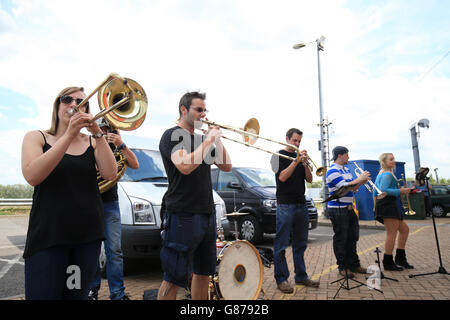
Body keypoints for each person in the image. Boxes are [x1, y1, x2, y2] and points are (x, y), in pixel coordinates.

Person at [21, 87, 117, 299]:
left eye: (82, 103)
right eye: (68, 100)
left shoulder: (92, 142)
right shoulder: (36, 137)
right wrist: (69, 135)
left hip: (86, 238)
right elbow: (32, 175)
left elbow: (110, 173)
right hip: (48, 237)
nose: (74, 105)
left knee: (75, 296)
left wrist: (97, 134)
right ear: (57, 106)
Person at [157, 91, 232, 300]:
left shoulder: (202, 139)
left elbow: (226, 165)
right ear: (183, 110)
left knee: (203, 273)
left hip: (206, 212)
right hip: (182, 213)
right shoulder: (171, 135)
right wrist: (208, 141)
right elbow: (185, 165)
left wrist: (217, 140)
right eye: (199, 110)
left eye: (205, 110)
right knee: (173, 276)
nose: (203, 114)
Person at [88, 120, 139, 300]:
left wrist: (120, 143)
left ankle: (117, 293)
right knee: (92, 250)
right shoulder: (88, 142)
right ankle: (91, 291)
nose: (105, 131)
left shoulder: (117, 146)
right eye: (102, 128)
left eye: (108, 128)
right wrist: (96, 141)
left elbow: (135, 164)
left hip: (111, 204)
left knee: (115, 251)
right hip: (90, 203)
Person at [270, 128, 320, 293]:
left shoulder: (300, 158)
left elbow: (310, 179)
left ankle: (301, 276)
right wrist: (296, 161)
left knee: (300, 244)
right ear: (287, 139)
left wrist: (305, 164)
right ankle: (281, 279)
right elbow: (282, 177)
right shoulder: (277, 156)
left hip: (301, 204)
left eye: (299, 141)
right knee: (281, 244)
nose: (297, 144)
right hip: (285, 205)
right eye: (294, 140)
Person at [325, 146, 370, 279]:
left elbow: (352, 188)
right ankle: (343, 267)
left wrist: (361, 182)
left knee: (352, 237)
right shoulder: (332, 171)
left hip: (349, 208)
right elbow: (344, 187)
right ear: (340, 155)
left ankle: (354, 264)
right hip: (338, 209)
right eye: (347, 155)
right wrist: (360, 178)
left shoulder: (346, 170)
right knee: (341, 238)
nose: (348, 157)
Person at [373, 153, 414, 270]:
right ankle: (388, 262)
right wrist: (401, 191)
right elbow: (383, 190)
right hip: (387, 205)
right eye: (391, 160)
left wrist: (375, 206)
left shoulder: (381, 173)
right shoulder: (386, 174)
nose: (393, 161)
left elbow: (375, 192)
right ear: (384, 162)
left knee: (404, 230)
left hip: (386, 205)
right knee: (391, 234)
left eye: (393, 159)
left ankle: (400, 258)